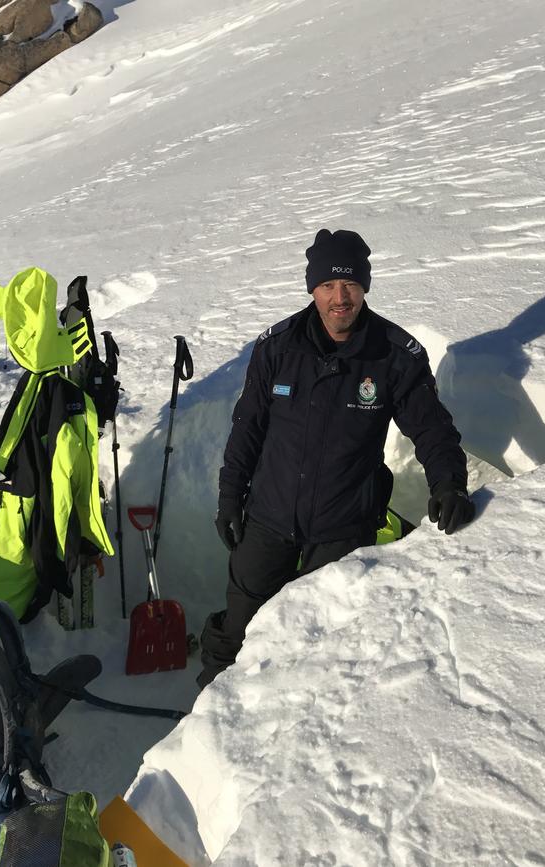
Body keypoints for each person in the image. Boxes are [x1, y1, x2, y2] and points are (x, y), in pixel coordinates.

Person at [197, 228, 475, 689]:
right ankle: (203, 720)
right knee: (237, 630)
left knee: (318, 639)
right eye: (327, 285)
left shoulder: (396, 356)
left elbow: (433, 430)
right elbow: (248, 429)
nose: (339, 298)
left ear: (365, 286)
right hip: (267, 518)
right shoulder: (277, 349)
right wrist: (230, 498)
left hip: (343, 527)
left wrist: (449, 483)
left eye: (349, 285)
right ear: (312, 289)